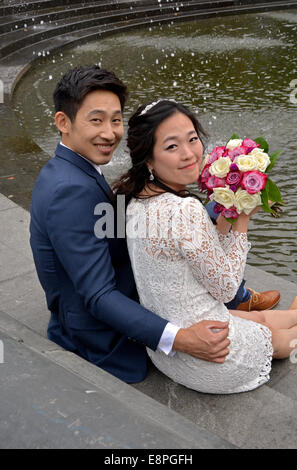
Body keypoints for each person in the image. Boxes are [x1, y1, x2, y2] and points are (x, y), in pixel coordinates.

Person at [30, 65, 232, 385]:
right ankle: (242, 297)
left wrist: (209, 204)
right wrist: (180, 339)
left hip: (122, 289)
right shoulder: (68, 191)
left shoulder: (73, 169)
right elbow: (97, 295)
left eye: (115, 119)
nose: (110, 133)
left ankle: (241, 296)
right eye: (96, 120)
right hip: (99, 338)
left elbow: (113, 224)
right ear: (63, 122)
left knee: (190, 244)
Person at [113, 98, 297, 393]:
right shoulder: (184, 210)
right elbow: (225, 288)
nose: (189, 154)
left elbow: (206, 256)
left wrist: (227, 208)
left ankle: (291, 315)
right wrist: (244, 217)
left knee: (259, 318)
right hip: (216, 357)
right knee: (281, 342)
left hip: (168, 352)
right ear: (148, 158)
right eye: (172, 146)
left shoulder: (135, 201)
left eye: (192, 139)